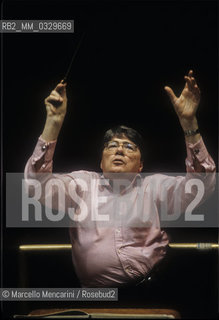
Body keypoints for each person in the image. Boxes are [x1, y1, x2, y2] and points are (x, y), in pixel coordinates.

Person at [24, 70, 216, 288]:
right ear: (101, 162)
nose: (119, 151)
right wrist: (53, 123)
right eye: (112, 146)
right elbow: (35, 187)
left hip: (153, 290)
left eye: (129, 147)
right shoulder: (83, 185)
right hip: (95, 298)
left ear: (140, 165)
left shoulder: (153, 187)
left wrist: (189, 123)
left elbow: (202, 185)